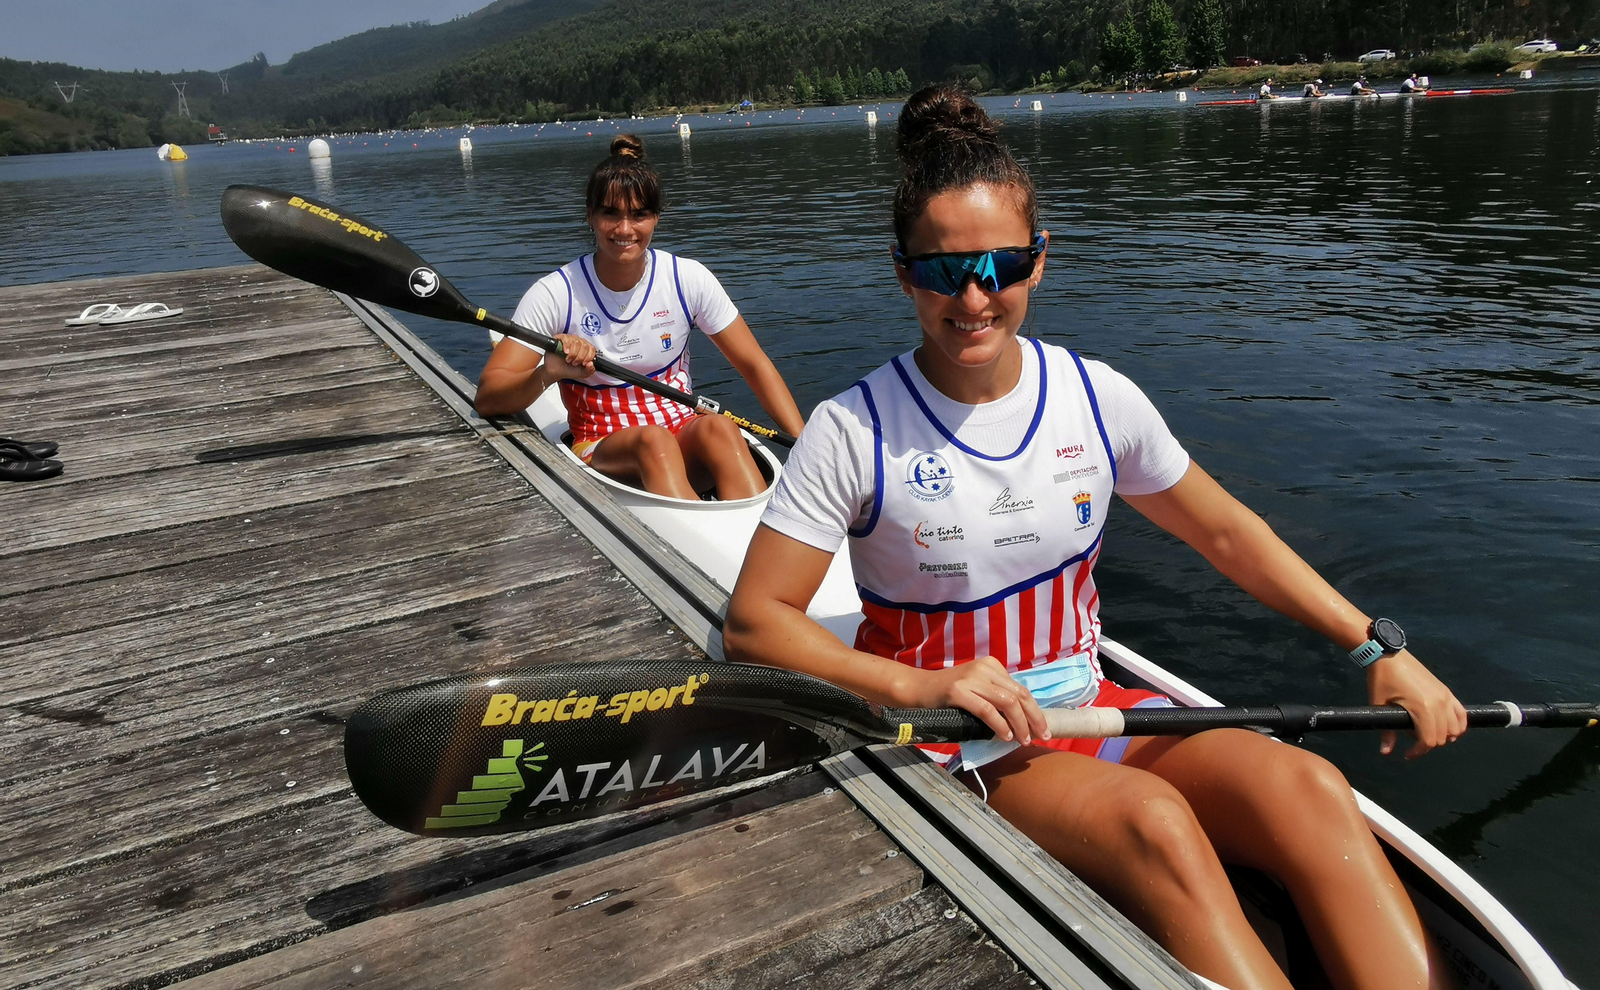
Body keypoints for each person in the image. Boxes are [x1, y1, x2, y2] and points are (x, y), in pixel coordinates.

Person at [724, 85, 1465, 988]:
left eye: (999, 266)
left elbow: (1228, 534)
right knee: (1156, 824)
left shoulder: (1095, 396)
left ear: (1039, 262)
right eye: (939, 271)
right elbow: (757, 624)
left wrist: (1375, 644)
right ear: (901, 272)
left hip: (1089, 701)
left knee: (1307, 788)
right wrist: (923, 683)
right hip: (952, 734)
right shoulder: (851, 430)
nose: (972, 296)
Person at [475, 134, 803, 501]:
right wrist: (548, 372)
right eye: (610, 213)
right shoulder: (556, 293)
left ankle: (767, 535)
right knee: (653, 441)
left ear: (656, 218)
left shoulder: (687, 278)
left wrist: (807, 448)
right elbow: (488, 397)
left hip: (680, 431)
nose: (625, 230)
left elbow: (755, 365)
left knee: (721, 430)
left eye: (639, 214)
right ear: (590, 216)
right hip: (603, 446)